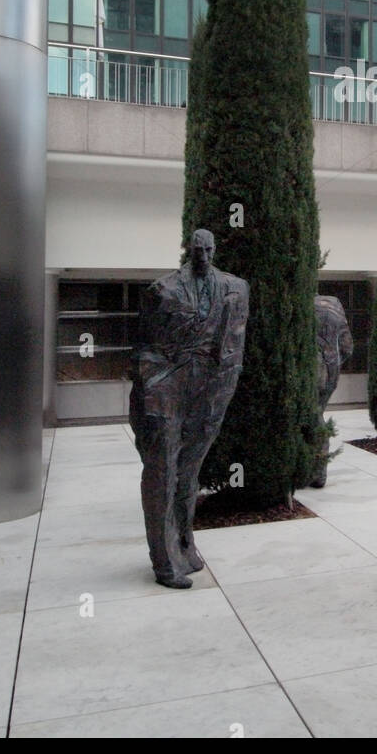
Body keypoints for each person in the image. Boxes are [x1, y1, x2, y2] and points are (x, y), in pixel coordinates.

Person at [129, 228, 249, 588]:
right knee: (162, 470)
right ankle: (164, 561)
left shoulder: (236, 288)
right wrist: (152, 392)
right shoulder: (163, 290)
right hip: (166, 387)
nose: (203, 255)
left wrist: (224, 388)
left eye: (209, 249)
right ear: (188, 249)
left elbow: (235, 346)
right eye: (197, 249)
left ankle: (184, 542)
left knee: (189, 472)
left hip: (209, 391)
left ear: (215, 250)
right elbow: (143, 348)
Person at [310, 294, 354, 488]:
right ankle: (318, 470)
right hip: (330, 369)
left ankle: (311, 471)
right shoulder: (335, 303)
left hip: (309, 370)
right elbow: (347, 346)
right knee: (317, 414)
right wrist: (333, 364)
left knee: (308, 417)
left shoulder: (297, 302)